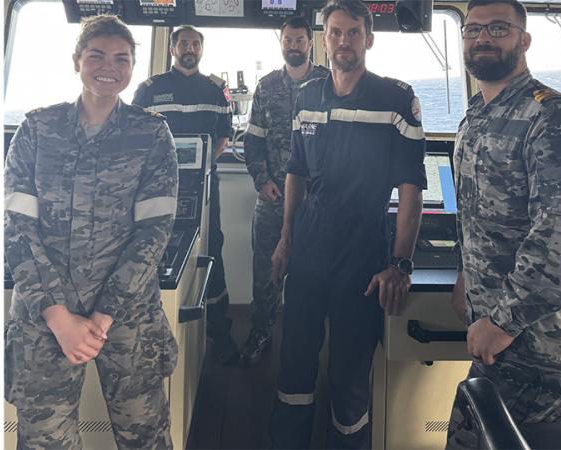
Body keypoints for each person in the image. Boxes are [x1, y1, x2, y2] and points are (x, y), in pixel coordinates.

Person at [4, 15, 178, 449]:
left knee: (144, 437)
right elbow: (16, 226)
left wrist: (100, 319)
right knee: (45, 441)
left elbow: (152, 236)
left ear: (132, 68)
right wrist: (58, 317)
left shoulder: (151, 134)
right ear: (77, 61)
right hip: (46, 318)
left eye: (121, 59)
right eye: (96, 55)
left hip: (126, 318)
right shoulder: (38, 129)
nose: (109, 66)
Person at [269, 1, 426, 447]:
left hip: (362, 251)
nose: (343, 41)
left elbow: (411, 188)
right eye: (335, 32)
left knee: (350, 373)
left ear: (368, 39)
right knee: (295, 362)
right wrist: (286, 241)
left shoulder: (396, 99)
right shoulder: (307, 98)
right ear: (324, 38)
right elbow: (295, 173)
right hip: (309, 248)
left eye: (352, 33)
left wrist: (401, 263)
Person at [445, 1, 561, 448]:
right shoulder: (476, 115)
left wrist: (502, 322)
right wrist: (465, 275)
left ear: (524, 39)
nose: (482, 38)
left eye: (498, 29)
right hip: (494, 343)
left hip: (538, 349)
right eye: (472, 29)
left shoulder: (552, 117)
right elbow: (474, 213)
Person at [132, 25, 239, 365]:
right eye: (184, 43)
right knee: (159, 249)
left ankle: (220, 333)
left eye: (195, 43)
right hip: (157, 186)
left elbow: (224, 136)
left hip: (205, 185)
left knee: (212, 248)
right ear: (173, 48)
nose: (189, 48)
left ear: (201, 50)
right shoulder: (151, 89)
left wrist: (203, 166)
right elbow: (137, 134)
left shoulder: (216, 90)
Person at [241, 16, 329, 368]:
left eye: (299, 40)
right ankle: (261, 331)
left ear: (311, 43)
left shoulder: (328, 82)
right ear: (281, 43)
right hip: (274, 196)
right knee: (265, 272)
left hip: (317, 202)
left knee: (314, 273)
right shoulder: (266, 87)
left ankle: (307, 342)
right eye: (287, 40)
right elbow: (252, 141)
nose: (293, 45)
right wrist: (262, 180)